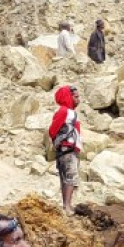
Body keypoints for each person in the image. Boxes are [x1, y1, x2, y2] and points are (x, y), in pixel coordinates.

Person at [48, 84, 82, 214]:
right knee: (70, 178)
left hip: (67, 150)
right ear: (68, 97)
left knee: (66, 178)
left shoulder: (70, 112)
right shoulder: (64, 111)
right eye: (76, 97)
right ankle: (67, 207)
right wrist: (61, 142)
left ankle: (66, 205)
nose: (78, 100)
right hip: (66, 151)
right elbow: (52, 130)